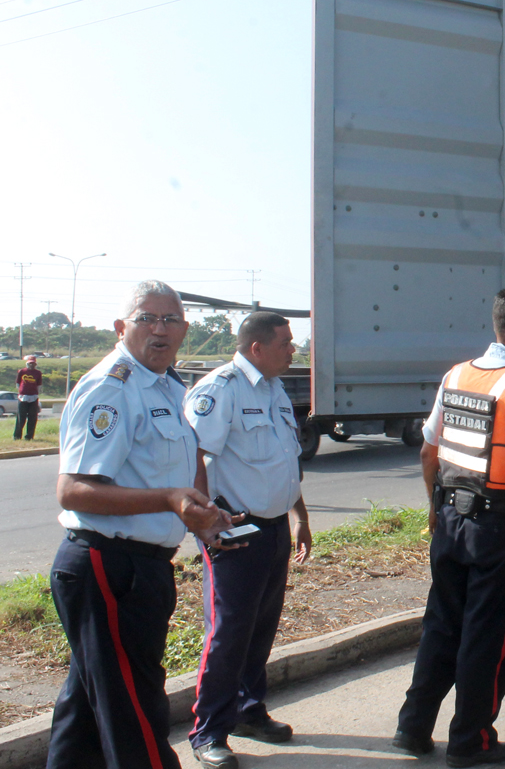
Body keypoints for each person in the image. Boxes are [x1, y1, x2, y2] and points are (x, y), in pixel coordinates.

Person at [46, 280, 235, 769]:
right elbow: (74, 491)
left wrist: (202, 513)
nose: (159, 329)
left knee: (88, 706)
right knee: (134, 709)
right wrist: (172, 500)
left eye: (170, 320)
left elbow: (183, 453)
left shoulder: (168, 384)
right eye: (146, 319)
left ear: (184, 330)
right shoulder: (111, 388)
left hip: (142, 567)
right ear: (120, 327)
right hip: (107, 567)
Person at [394, 289, 505, 767]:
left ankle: (413, 727)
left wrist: (434, 510)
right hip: (495, 531)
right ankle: (471, 739)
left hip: (451, 520)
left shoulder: (456, 375)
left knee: (442, 627)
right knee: (491, 638)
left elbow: (429, 451)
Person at [183, 312, 311, 769]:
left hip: (274, 527)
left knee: (261, 627)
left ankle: (248, 709)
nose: (292, 349)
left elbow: (285, 461)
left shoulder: (274, 388)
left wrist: (300, 516)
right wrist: (205, 521)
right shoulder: (221, 389)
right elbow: (193, 454)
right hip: (234, 532)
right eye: (286, 342)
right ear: (256, 347)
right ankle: (208, 732)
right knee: (228, 633)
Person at [14, 354, 42, 440]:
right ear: (27, 363)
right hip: (23, 397)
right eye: (30, 363)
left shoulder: (38, 373)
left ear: (35, 364)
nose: (31, 365)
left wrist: (36, 393)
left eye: (33, 363)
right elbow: (18, 383)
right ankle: (17, 436)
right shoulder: (22, 372)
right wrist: (21, 392)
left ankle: (29, 436)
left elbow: (39, 385)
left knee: (32, 418)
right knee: (21, 418)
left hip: (33, 397)